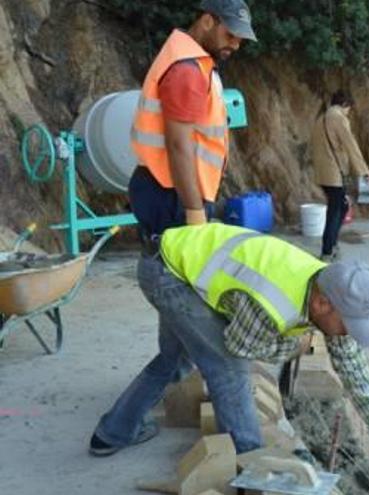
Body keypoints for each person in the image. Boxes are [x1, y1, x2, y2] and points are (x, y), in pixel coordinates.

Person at [89, 223, 369, 470]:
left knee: (176, 358)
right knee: (228, 371)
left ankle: (112, 433)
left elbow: (352, 364)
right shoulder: (273, 301)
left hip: (178, 259)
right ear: (322, 303)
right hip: (167, 273)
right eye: (349, 325)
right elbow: (239, 347)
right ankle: (252, 467)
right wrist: (296, 345)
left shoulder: (324, 287)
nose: (349, 334)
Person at [88, 0, 256, 455]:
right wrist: (196, 215)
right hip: (174, 206)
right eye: (230, 33)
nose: (235, 43)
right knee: (223, 360)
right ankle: (253, 461)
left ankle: (114, 432)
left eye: (240, 37)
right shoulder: (185, 69)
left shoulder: (193, 61)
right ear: (207, 19)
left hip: (166, 200)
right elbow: (181, 147)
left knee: (176, 352)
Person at [310, 90, 369, 262]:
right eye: (349, 110)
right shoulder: (338, 118)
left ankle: (332, 244)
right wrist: (364, 172)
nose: (348, 114)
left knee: (342, 207)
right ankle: (327, 250)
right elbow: (351, 146)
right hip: (334, 174)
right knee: (335, 210)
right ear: (345, 105)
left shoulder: (320, 119)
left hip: (323, 173)